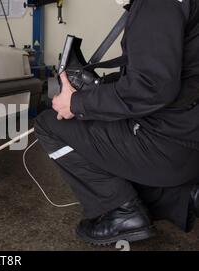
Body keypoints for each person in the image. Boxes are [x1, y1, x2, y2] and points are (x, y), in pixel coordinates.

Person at [35, 0, 199, 245]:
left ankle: (122, 213)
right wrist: (99, 87)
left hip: (168, 146)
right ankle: (183, 194)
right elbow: (167, 72)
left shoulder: (155, 5)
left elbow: (151, 87)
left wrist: (77, 104)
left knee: (49, 124)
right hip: (186, 136)